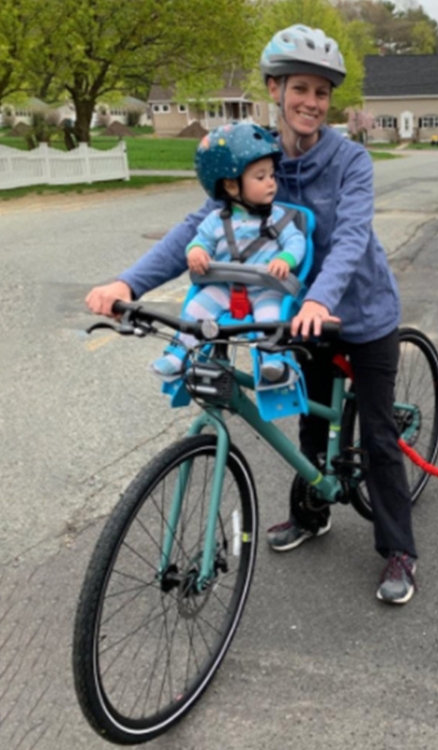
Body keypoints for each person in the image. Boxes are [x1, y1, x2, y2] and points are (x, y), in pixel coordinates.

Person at [85, 24, 418, 605]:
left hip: (360, 312)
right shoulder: (255, 158)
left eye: (322, 92)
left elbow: (351, 238)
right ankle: (312, 513)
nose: (311, 102)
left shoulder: (351, 161)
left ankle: (398, 549)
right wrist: (127, 282)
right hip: (293, 313)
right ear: (274, 88)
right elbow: (200, 226)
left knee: (379, 435)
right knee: (309, 418)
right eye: (300, 89)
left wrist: (321, 298)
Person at [150, 121, 306, 384]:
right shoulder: (216, 219)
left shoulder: (278, 217)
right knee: (196, 308)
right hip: (225, 287)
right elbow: (200, 240)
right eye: (261, 177)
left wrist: (285, 259)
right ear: (232, 186)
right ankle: (178, 354)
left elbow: (296, 241)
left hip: (265, 287)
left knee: (270, 317)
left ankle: (273, 361)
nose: (271, 183)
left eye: (272, 175)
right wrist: (196, 251)